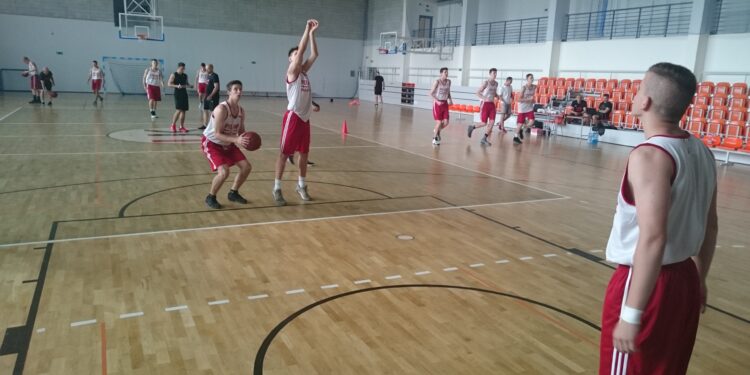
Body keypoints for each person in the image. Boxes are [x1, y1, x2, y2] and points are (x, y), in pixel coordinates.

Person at [599, 62, 718, 375]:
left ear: (645, 102)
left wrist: (631, 314)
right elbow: (711, 223)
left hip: (645, 283)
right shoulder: (703, 151)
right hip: (686, 279)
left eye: (640, 88)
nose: (636, 94)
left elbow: (653, 238)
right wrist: (701, 278)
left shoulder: (649, 155)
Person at [273, 19, 319, 206]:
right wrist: (305, 28)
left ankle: (301, 185)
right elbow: (302, 52)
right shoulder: (292, 72)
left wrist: (312, 34)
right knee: (284, 154)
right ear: (290, 59)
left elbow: (314, 53)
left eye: (297, 53)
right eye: (294, 54)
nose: (297, 55)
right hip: (293, 117)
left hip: (305, 119)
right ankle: (277, 188)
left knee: (304, 154)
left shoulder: (304, 73)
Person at [200, 80, 252, 209]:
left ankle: (233, 193)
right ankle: (210, 197)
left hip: (228, 143)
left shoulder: (241, 111)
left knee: (246, 167)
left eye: (240, 89)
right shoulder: (221, 109)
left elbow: (241, 131)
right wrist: (236, 140)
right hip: (212, 143)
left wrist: (249, 141)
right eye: (235, 89)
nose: (239, 92)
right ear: (229, 92)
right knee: (224, 172)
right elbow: (217, 133)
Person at [467, 68, 500, 146]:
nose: (495, 75)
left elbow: (494, 92)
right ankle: (472, 127)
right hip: (485, 104)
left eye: (496, 73)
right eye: (493, 73)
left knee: (492, 122)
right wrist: (485, 98)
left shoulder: (496, 83)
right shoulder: (486, 83)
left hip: (492, 104)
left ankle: (484, 138)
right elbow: (477, 93)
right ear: (490, 74)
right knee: (484, 123)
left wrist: (497, 96)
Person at [430, 67, 453, 146]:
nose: (447, 73)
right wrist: (437, 101)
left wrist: (450, 99)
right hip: (437, 105)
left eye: (447, 72)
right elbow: (430, 93)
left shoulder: (449, 82)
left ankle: (437, 131)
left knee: (446, 123)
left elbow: (448, 92)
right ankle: (434, 138)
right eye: (445, 72)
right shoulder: (437, 82)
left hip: (445, 104)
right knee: (439, 122)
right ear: (441, 73)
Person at [168, 62, 192, 133]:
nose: (183, 70)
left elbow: (187, 83)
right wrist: (176, 86)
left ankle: (181, 126)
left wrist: (190, 85)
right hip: (178, 93)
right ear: (178, 67)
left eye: (184, 68)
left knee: (184, 111)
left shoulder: (185, 75)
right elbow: (169, 84)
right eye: (182, 68)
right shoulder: (174, 74)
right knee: (178, 109)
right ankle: (173, 125)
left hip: (184, 93)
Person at [513, 73, 536, 145]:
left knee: (532, 122)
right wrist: (528, 99)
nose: (532, 79)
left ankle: (522, 129)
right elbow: (519, 99)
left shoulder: (534, 87)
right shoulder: (524, 88)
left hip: (529, 107)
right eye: (530, 78)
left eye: (532, 78)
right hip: (522, 108)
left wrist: (532, 100)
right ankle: (515, 137)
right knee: (520, 123)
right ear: (527, 79)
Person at [200, 64, 220, 130]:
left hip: (213, 97)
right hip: (207, 96)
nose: (206, 70)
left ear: (211, 68)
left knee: (213, 111)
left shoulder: (215, 76)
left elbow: (216, 87)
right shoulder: (208, 76)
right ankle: (205, 125)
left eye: (207, 68)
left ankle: (214, 126)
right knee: (205, 110)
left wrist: (211, 95)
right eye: (206, 68)